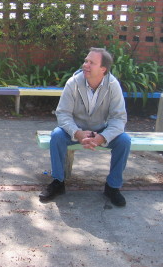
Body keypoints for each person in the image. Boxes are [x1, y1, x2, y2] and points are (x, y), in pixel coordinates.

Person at [39, 47, 131, 207]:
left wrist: (103, 137)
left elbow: (119, 118)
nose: (85, 65)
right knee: (57, 136)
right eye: (85, 61)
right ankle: (58, 182)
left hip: (101, 130)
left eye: (91, 62)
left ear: (103, 69)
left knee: (124, 140)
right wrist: (77, 133)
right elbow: (63, 113)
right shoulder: (73, 83)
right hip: (75, 129)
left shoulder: (113, 85)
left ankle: (113, 187)